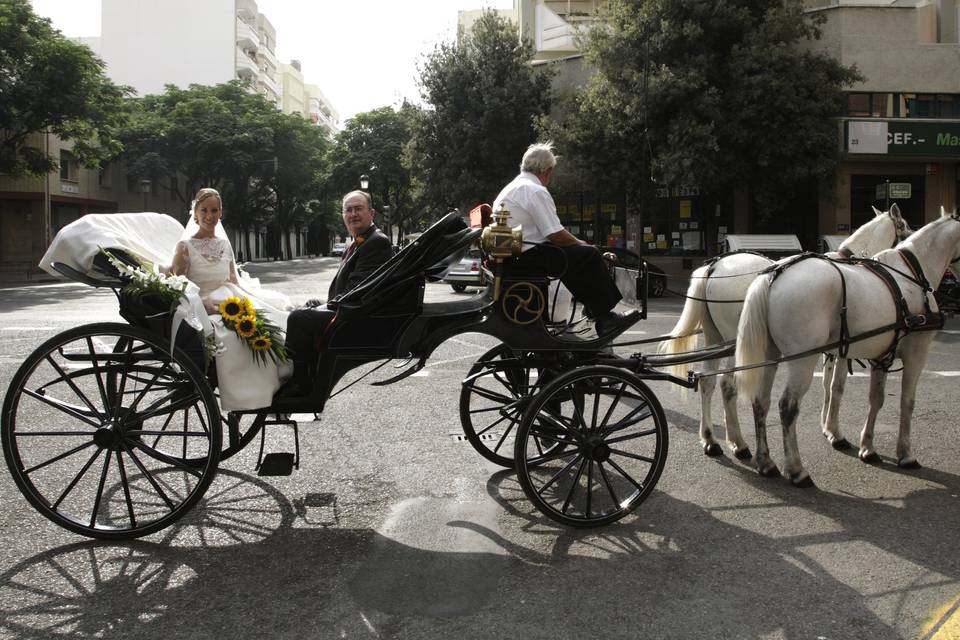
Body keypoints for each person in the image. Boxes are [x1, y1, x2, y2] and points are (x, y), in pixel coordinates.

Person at [492, 142, 634, 336]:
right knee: (588, 255)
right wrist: (583, 244)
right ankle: (605, 317)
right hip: (529, 255)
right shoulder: (534, 190)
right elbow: (555, 234)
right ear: (547, 170)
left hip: (517, 255)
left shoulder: (512, 187)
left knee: (572, 257)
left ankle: (594, 310)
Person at [171, 187, 293, 409]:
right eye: (204, 210)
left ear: (220, 212)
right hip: (203, 302)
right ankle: (243, 396)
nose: (209, 216)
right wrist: (201, 303)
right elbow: (178, 284)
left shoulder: (225, 243)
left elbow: (232, 279)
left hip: (229, 297)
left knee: (265, 323)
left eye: (214, 210)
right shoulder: (185, 246)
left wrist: (247, 301)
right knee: (230, 336)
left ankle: (271, 388)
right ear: (195, 212)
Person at [283, 190, 393, 396]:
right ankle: (311, 371)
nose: (353, 214)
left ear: (372, 213)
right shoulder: (361, 240)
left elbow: (358, 291)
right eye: (348, 210)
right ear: (343, 215)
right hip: (349, 308)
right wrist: (321, 305)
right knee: (310, 304)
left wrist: (326, 307)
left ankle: (300, 384)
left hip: (357, 316)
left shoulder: (376, 242)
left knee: (298, 318)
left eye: (358, 209)